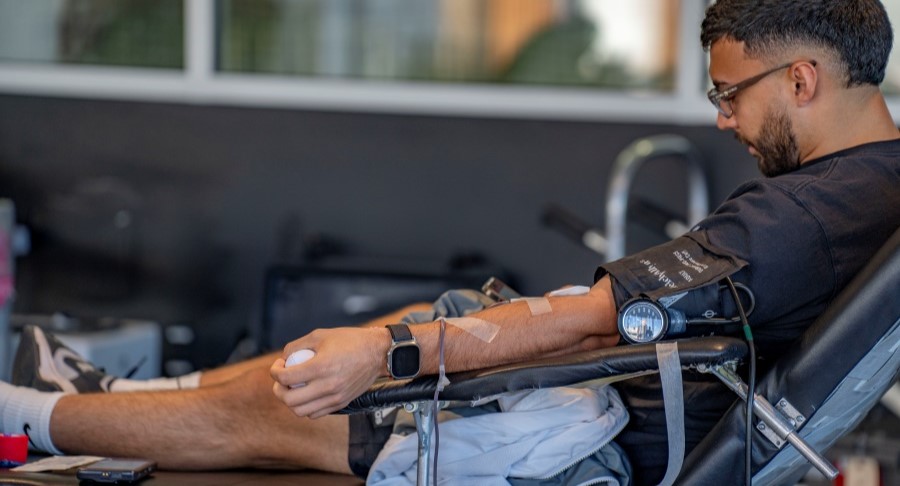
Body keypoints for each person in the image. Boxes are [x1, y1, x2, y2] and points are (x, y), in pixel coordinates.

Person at [2, 1, 899, 484]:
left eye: (730, 93)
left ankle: (30, 421)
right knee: (398, 327)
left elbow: (605, 314)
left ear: (804, 78)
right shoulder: (869, 186)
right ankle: (121, 393)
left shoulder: (808, 215)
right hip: (632, 400)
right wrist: (411, 337)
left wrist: (393, 354)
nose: (724, 117)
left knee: (283, 408)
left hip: (604, 438)